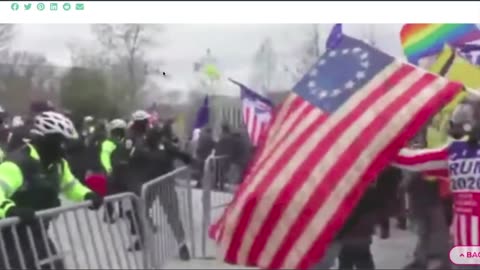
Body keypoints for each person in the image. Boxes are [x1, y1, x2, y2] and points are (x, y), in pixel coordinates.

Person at [0, 111, 103, 269]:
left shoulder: (58, 164)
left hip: (37, 233)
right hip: (8, 238)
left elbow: (70, 185)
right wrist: (10, 210)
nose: (65, 147)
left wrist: (87, 195)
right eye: (62, 142)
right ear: (47, 141)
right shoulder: (18, 164)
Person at [392, 96, 480, 270]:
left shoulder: (456, 152)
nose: (461, 123)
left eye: (467, 117)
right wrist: (379, 147)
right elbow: (413, 160)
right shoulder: (456, 151)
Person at [100, 118, 129, 222]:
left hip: (117, 171)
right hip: (114, 171)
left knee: (116, 192)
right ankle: (110, 215)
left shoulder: (120, 142)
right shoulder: (112, 143)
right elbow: (105, 157)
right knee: (113, 192)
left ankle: (117, 213)